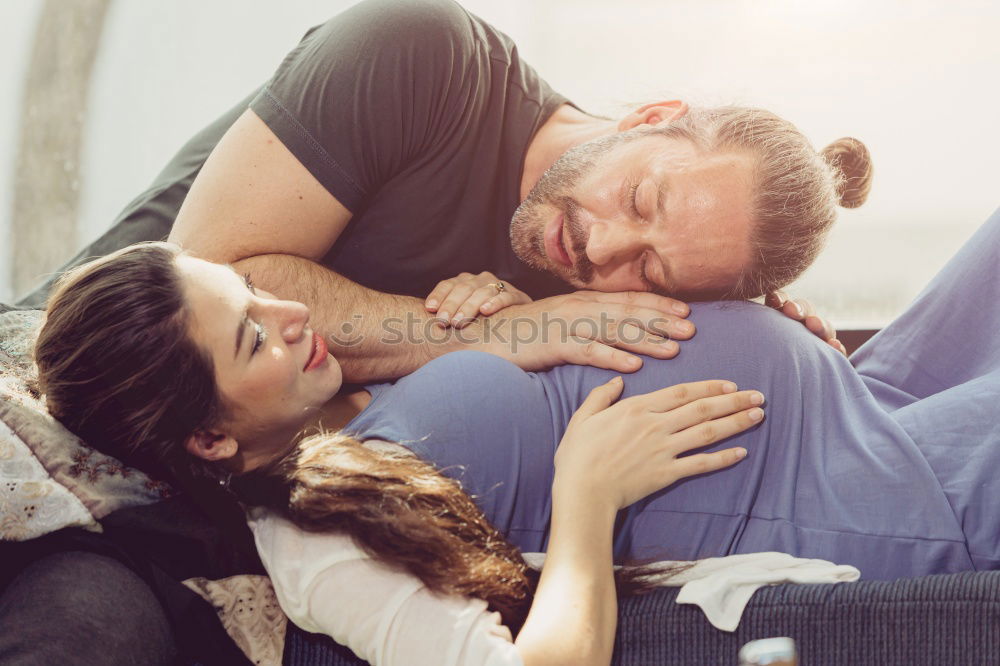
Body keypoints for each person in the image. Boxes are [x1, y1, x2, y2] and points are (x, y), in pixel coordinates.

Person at [32, 204, 1000, 664]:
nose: (288, 312)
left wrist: (500, 319)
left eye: (251, 292)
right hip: (861, 501)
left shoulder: (337, 400)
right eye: (252, 335)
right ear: (206, 440)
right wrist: (585, 494)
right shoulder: (313, 545)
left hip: (855, 397)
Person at [18, 0, 873, 381]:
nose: (606, 248)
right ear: (652, 115)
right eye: (641, 201)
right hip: (54, 374)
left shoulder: (598, 291)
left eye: (650, 271)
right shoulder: (423, 54)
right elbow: (207, 276)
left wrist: (776, 352)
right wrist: (503, 330)